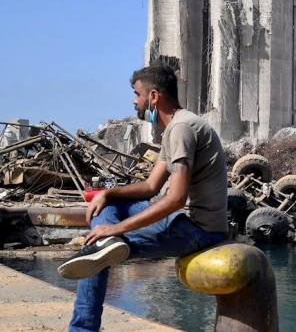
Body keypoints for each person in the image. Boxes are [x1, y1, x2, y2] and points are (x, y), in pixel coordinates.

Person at [59, 65, 228, 331]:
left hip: (199, 231)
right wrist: (107, 192)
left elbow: (176, 199)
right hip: (189, 225)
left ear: (154, 96)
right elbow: (150, 186)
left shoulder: (182, 129)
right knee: (107, 214)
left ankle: (82, 327)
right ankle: (107, 245)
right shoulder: (175, 127)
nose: (134, 101)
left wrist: (117, 228)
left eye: (137, 94)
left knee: (99, 249)